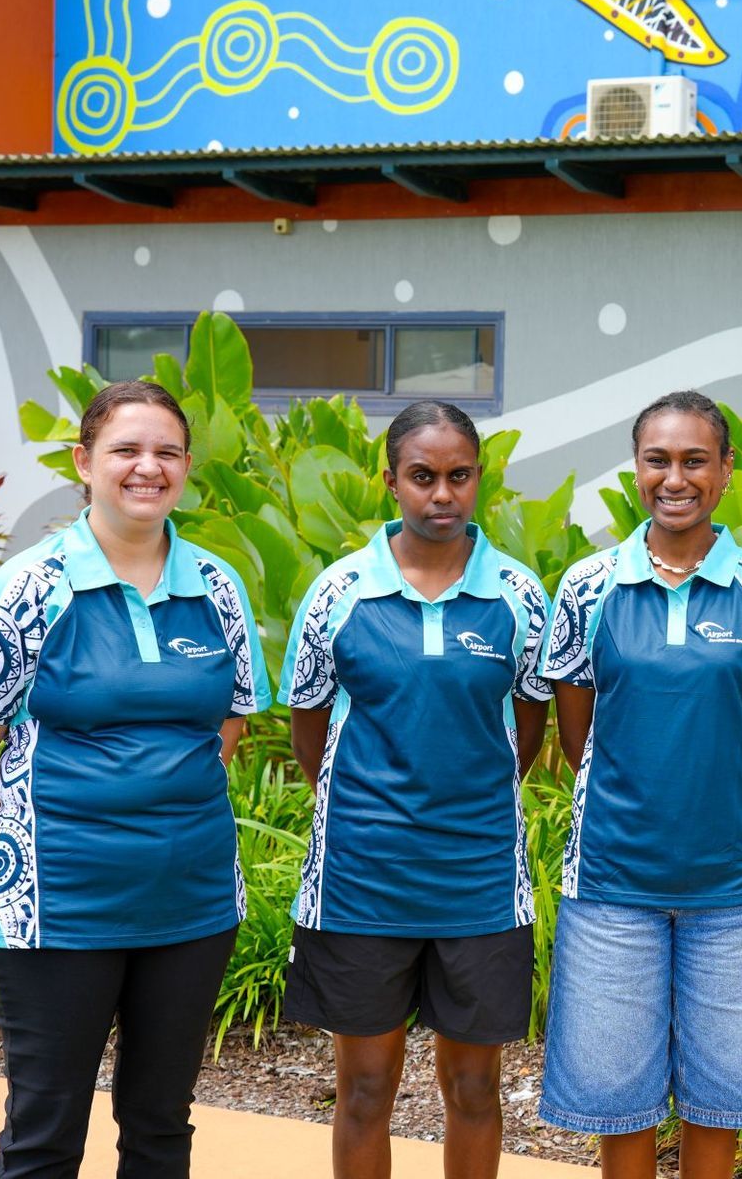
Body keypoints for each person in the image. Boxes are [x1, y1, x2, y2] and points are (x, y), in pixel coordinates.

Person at [0, 379, 271, 1178]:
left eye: (166, 452)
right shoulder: (28, 587)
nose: (146, 468)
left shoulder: (218, 586)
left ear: (187, 465)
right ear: (85, 462)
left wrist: (163, 798)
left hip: (191, 906)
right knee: (45, 1131)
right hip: (58, 908)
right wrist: (11, 845)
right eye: (126, 450)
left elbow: (228, 719)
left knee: (161, 1127)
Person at [537, 390, 742, 1179]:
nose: (675, 477)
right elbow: (576, 733)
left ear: (726, 471)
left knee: (719, 1101)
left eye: (695, 460)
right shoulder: (589, 587)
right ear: (636, 469)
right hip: (610, 883)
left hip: (730, 886)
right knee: (618, 1100)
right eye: (657, 459)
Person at [279, 400, 553, 1179]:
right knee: (364, 1089)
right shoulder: (338, 594)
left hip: (480, 885)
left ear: (479, 480)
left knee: (473, 1088)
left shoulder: (519, 597)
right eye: (423, 477)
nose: (443, 495)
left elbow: (528, 731)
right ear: (391, 481)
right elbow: (311, 729)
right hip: (362, 883)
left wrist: (468, 797)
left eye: (459, 476)